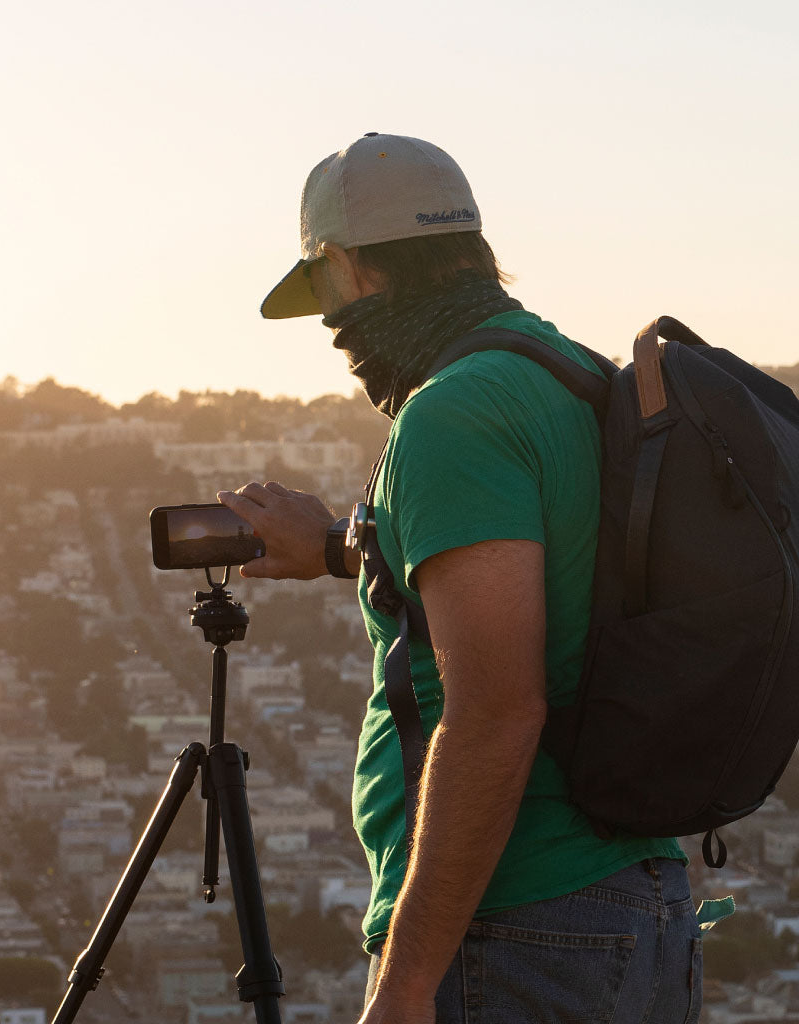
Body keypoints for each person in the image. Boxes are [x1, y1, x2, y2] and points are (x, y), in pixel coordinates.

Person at [217, 133, 702, 1023]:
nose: (330, 329)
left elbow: (497, 712)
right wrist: (333, 546)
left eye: (324, 292)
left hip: (518, 926)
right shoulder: (573, 377)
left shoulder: (454, 414)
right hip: (631, 899)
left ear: (354, 268)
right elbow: (523, 578)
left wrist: (404, 986)